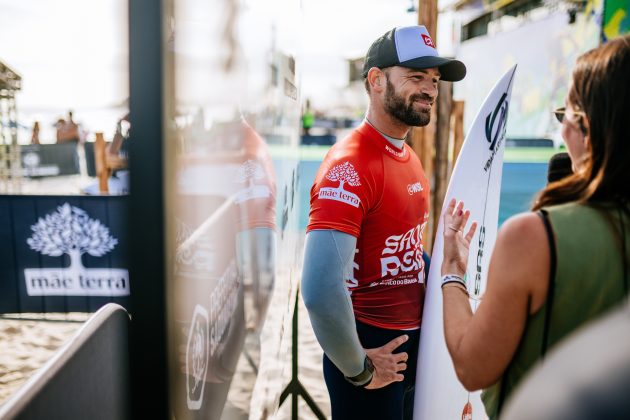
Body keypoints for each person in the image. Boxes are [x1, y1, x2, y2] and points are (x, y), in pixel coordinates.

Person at [440, 34, 630, 419]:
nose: (561, 133)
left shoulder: (534, 238)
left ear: (591, 130)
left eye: (568, 115)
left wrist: (452, 274)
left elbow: (472, 366)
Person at [301, 25, 466, 419]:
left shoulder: (407, 157)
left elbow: (397, 252)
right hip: (372, 352)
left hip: (408, 352)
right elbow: (321, 291)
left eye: (434, 80)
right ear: (376, 80)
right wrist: (359, 370)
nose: (429, 89)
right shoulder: (349, 166)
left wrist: (442, 259)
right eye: (415, 77)